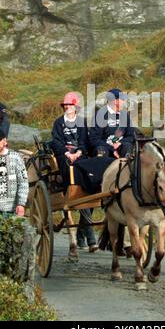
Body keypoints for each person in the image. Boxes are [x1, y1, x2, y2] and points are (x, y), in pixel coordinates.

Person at [51, 92, 98, 252]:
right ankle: (69, 190)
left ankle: (86, 189)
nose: (67, 108)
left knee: (86, 166)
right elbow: (56, 141)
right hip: (64, 154)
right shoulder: (58, 123)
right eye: (65, 105)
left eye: (70, 105)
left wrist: (78, 153)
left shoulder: (82, 123)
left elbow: (85, 141)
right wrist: (67, 153)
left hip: (80, 153)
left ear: (75, 108)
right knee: (66, 165)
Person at [89, 89, 135, 159]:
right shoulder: (99, 115)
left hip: (120, 146)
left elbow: (131, 136)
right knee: (101, 151)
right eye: (122, 99)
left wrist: (120, 143)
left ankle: (125, 169)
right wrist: (111, 148)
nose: (124, 102)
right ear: (115, 101)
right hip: (105, 147)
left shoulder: (125, 115)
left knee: (127, 146)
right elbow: (94, 139)